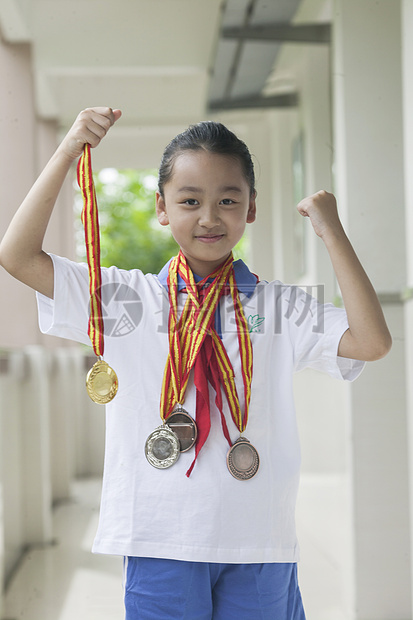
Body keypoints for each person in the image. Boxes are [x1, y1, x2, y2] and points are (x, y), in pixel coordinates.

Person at [0, 107, 392, 620]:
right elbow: (18, 255)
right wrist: (68, 150)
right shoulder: (127, 299)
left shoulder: (278, 307)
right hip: (161, 538)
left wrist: (332, 232)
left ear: (251, 209)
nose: (209, 217)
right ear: (162, 208)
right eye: (190, 201)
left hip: (257, 542)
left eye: (228, 200)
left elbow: (371, 341)